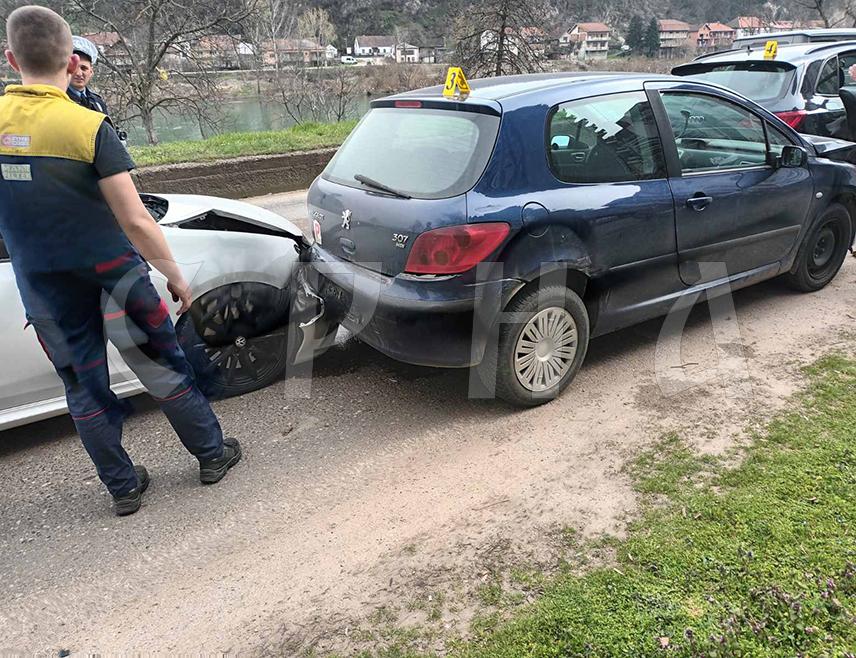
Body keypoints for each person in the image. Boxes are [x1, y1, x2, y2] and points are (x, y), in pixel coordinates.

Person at [0, 5, 241, 516]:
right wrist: (176, 276)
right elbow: (135, 220)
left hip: (44, 289)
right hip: (115, 276)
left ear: (10, 59)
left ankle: (123, 486)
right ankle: (212, 454)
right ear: (71, 62)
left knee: (82, 385)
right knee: (162, 365)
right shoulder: (88, 126)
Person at [67, 35, 109, 116]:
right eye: (74, 68)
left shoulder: (97, 102)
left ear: (91, 72)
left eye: (84, 68)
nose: (79, 73)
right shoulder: (59, 100)